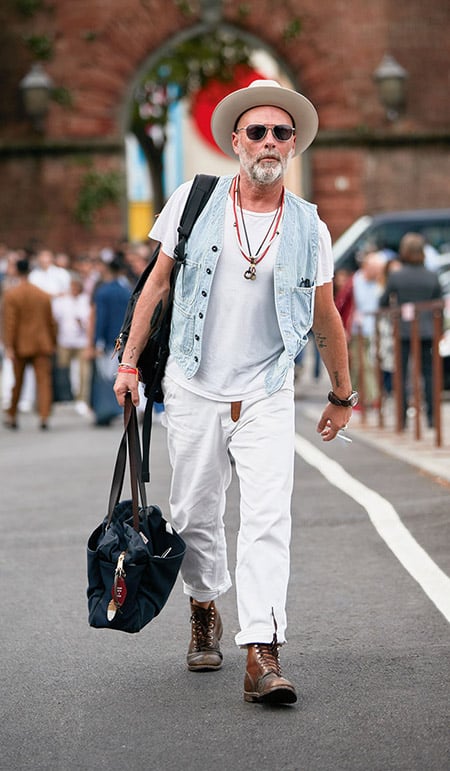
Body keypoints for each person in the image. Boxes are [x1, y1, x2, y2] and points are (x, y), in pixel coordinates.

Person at [114, 79, 356, 705]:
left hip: (268, 390)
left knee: (268, 518)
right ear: (235, 142)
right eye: (257, 132)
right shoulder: (193, 201)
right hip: (193, 384)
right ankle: (203, 605)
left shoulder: (309, 225)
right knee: (195, 516)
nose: (269, 142)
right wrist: (130, 365)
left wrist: (342, 394)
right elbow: (157, 285)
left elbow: (326, 314)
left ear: (294, 144)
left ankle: (262, 651)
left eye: (280, 132)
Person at [379, 232, 443, 428]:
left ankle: (402, 419)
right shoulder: (432, 276)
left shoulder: (397, 276)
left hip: (404, 331)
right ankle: (432, 418)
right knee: (429, 374)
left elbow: (383, 302)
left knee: (402, 373)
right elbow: (439, 303)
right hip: (428, 331)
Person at [2, 258, 57, 429]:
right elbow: (51, 322)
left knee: (17, 382)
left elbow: (9, 323)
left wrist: (9, 346)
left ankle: (12, 415)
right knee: (43, 381)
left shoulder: (12, 295)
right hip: (42, 343)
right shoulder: (42, 294)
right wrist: (53, 341)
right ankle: (44, 415)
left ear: (17, 271)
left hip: (20, 345)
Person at [90, 257, 131, 426]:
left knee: (105, 378)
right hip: (126, 338)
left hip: (108, 341)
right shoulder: (127, 290)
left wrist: (97, 340)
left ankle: (105, 412)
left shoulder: (103, 291)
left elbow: (101, 318)